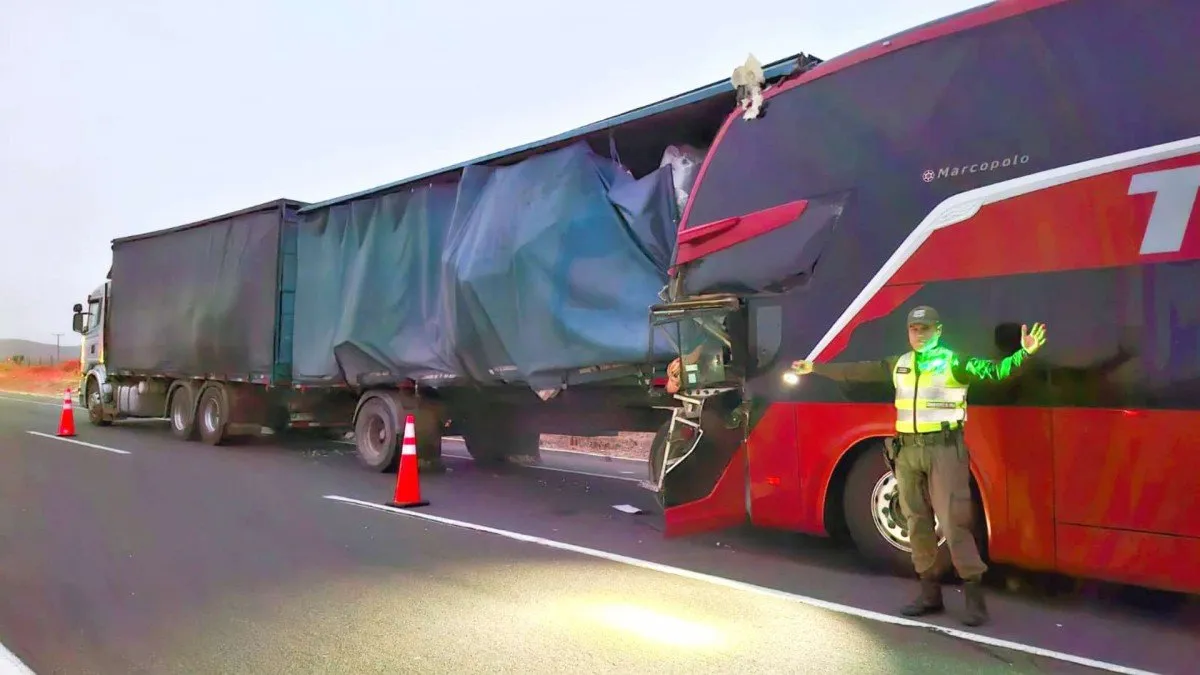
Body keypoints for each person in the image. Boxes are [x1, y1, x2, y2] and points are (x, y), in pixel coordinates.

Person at [790, 305, 1047, 627]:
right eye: (914, 329)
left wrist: (1023, 355)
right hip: (908, 452)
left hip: (944, 450)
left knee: (954, 523)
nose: (919, 334)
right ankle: (929, 594)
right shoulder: (901, 364)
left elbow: (996, 372)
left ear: (938, 331)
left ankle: (974, 597)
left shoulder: (953, 362)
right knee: (917, 524)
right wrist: (814, 368)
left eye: (925, 329)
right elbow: (857, 370)